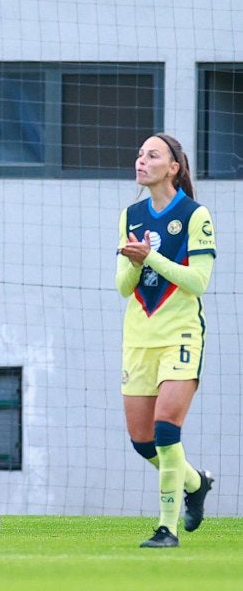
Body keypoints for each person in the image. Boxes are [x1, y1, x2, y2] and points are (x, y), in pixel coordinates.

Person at [116, 133, 216, 548]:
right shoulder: (131, 214)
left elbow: (198, 281)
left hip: (180, 334)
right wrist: (135, 263)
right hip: (139, 338)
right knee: (143, 442)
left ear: (173, 167)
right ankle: (195, 482)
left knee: (165, 431)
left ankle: (167, 528)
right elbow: (124, 287)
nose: (141, 161)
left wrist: (151, 257)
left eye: (151, 155)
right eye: (139, 154)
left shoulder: (195, 214)